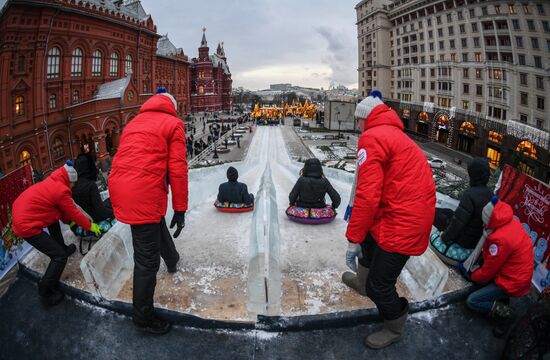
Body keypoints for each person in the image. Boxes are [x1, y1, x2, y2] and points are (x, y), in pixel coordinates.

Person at [342, 90, 436, 349]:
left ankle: (395, 324)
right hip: (399, 212)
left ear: (365, 118)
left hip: (404, 221)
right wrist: (362, 237)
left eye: (358, 119)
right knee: (369, 245)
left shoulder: (372, 138)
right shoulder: (392, 133)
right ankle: (362, 282)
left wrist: (353, 239)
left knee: (381, 286)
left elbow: (367, 195)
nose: (357, 125)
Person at [109, 87, 188, 335]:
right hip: (141, 191)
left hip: (120, 186)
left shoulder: (134, 121)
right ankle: (143, 317)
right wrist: (180, 208)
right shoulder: (173, 124)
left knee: (153, 223)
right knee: (146, 261)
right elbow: (177, 169)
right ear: (172, 106)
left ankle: (172, 259)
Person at [12, 161, 101, 306]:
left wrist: (71, 223)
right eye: (73, 183)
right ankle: (45, 291)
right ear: (68, 180)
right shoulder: (61, 191)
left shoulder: (53, 181)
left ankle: (62, 247)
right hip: (26, 225)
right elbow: (74, 213)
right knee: (59, 257)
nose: (73, 186)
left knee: (53, 221)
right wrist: (90, 226)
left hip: (21, 212)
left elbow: (58, 212)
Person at [459, 197, 534, 334]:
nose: (483, 226)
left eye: (484, 222)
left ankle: (507, 314)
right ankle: (501, 299)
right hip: (519, 274)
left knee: (472, 301)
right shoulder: (510, 221)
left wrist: (472, 274)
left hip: (512, 281)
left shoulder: (499, 239)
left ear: (490, 221)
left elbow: (488, 272)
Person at [431, 158, 494, 264]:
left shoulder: (470, 194)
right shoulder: (490, 194)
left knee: (436, 215)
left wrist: (444, 237)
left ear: (474, 175)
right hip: (473, 239)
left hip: (462, 241)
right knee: (448, 211)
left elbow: (457, 224)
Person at [72, 153, 115, 223]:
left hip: (84, 217)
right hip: (95, 217)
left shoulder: (73, 185)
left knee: (108, 201)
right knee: (111, 201)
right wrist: (115, 213)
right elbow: (101, 211)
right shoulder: (90, 185)